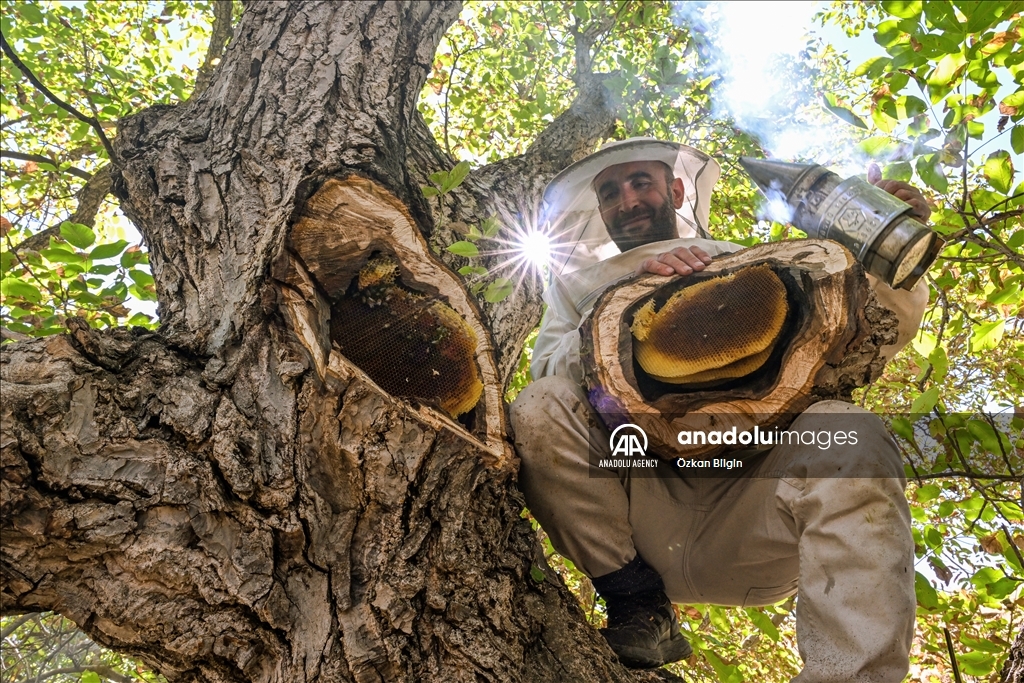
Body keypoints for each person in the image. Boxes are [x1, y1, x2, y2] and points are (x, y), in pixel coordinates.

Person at [509, 138, 931, 679]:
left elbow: (869, 336)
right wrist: (631, 309)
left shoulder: (741, 256)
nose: (628, 199)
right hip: (636, 513)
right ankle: (638, 606)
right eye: (611, 191)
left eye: (641, 181)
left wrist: (891, 262)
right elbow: (546, 382)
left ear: (677, 189)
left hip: (754, 510)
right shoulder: (574, 290)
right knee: (539, 405)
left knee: (847, 430)